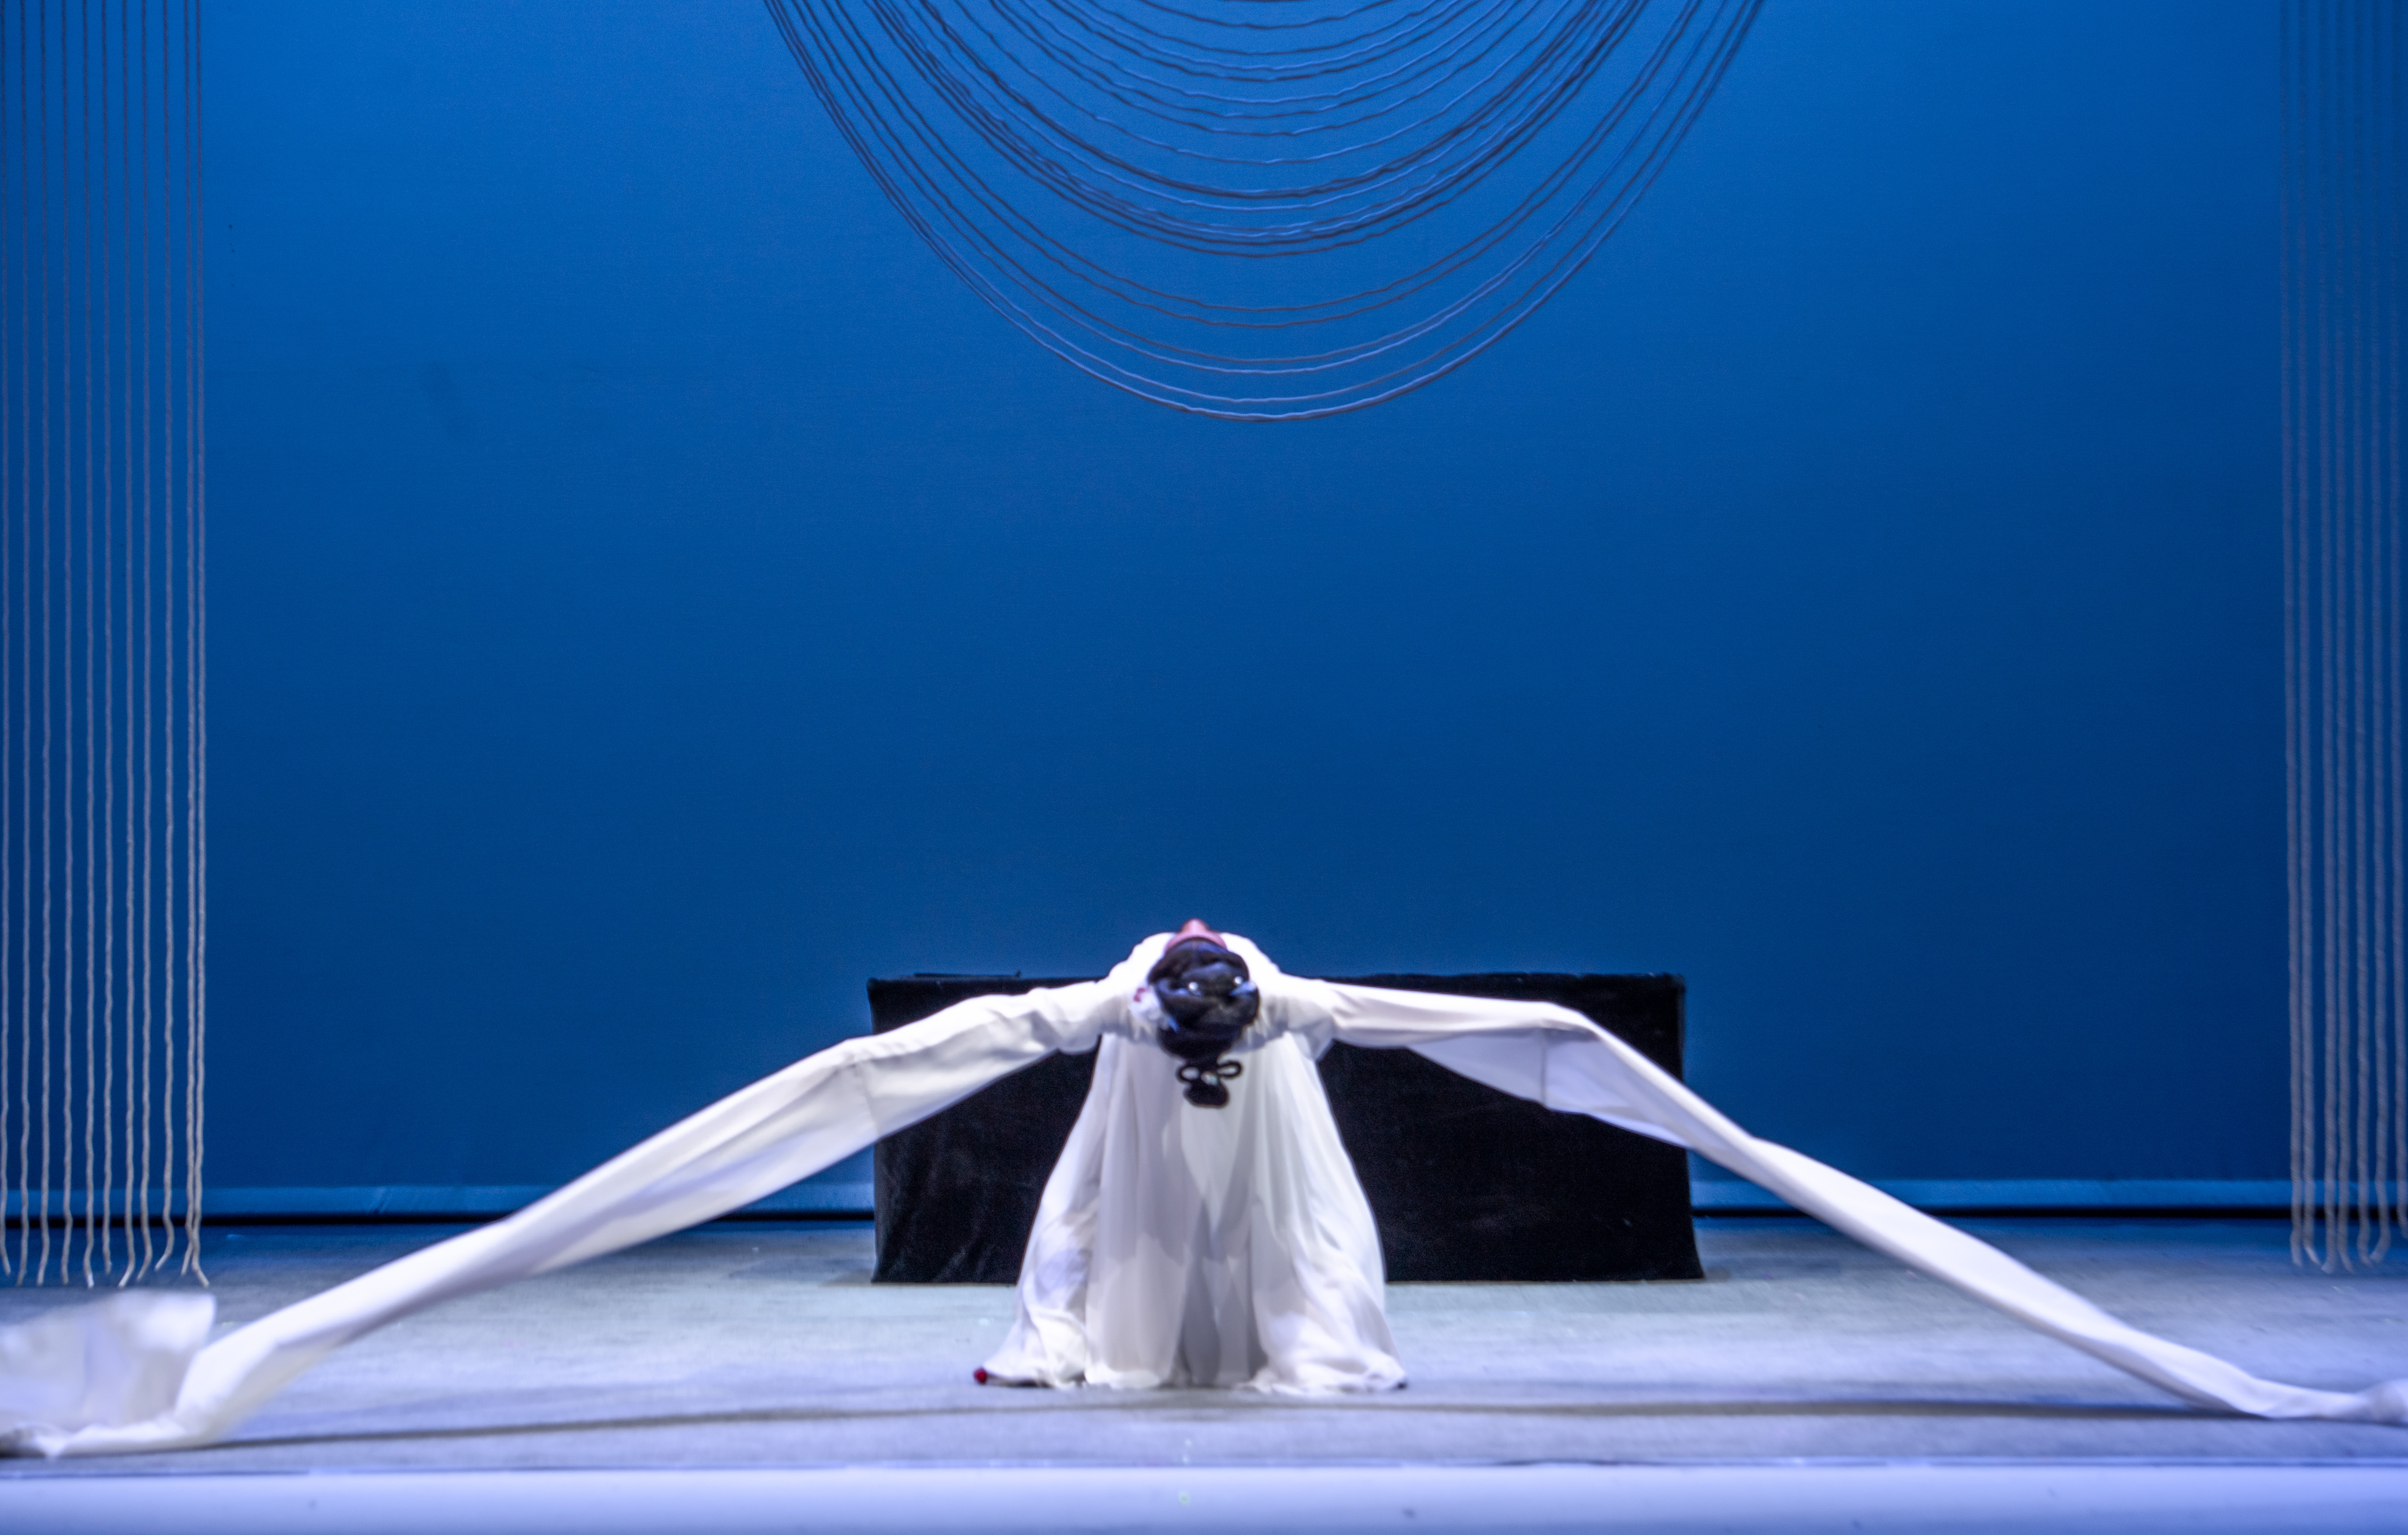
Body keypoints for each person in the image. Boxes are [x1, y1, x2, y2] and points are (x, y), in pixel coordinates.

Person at [3, 925, 2403, 1457]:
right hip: (1140, 1174)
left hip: (1260, 1167)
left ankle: (1243, 1344)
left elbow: (1519, 1039)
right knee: (1134, 1270)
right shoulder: (1109, 1015)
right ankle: (1136, 1345)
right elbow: (885, 1071)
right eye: (1198, 1021)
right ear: (1175, 1006)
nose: (1210, 1027)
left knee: (1284, 1272)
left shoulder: (1286, 1005)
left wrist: (1586, 1076)